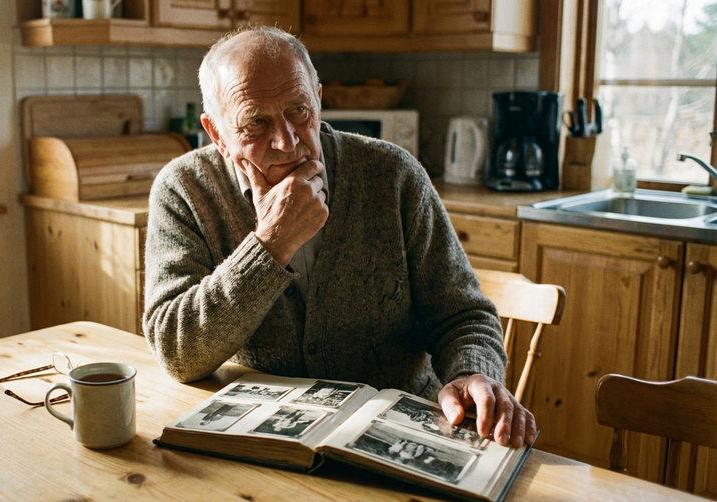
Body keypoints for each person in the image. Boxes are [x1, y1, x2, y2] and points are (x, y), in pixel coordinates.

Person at [143, 25, 535, 447]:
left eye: (298, 110)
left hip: (397, 433)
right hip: (262, 437)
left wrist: (471, 373)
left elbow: (463, 316)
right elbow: (177, 352)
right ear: (216, 133)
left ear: (319, 97)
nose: (287, 142)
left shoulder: (394, 175)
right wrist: (269, 245)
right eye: (256, 122)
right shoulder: (183, 189)